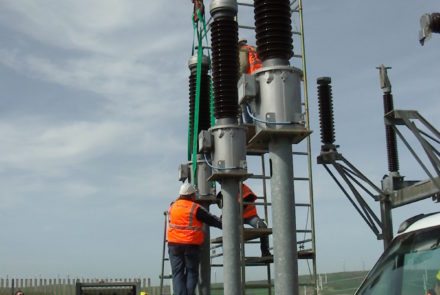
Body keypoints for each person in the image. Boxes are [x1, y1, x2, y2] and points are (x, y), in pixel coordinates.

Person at [168, 182, 222, 295]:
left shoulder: (172, 206)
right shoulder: (195, 208)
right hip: (190, 245)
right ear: (191, 195)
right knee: (192, 272)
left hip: (174, 245)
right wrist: (225, 224)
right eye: (194, 194)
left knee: (177, 273)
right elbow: (211, 220)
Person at [217, 183, 271, 257]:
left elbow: (247, 201)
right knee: (236, 232)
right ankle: (234, 255)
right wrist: (220, 198)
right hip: (238, 218)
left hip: (250, 216)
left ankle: (265, 252)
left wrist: (227, 215)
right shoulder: (227, 191)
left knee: (263, 228)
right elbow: (220, 205)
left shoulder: (245, 189)